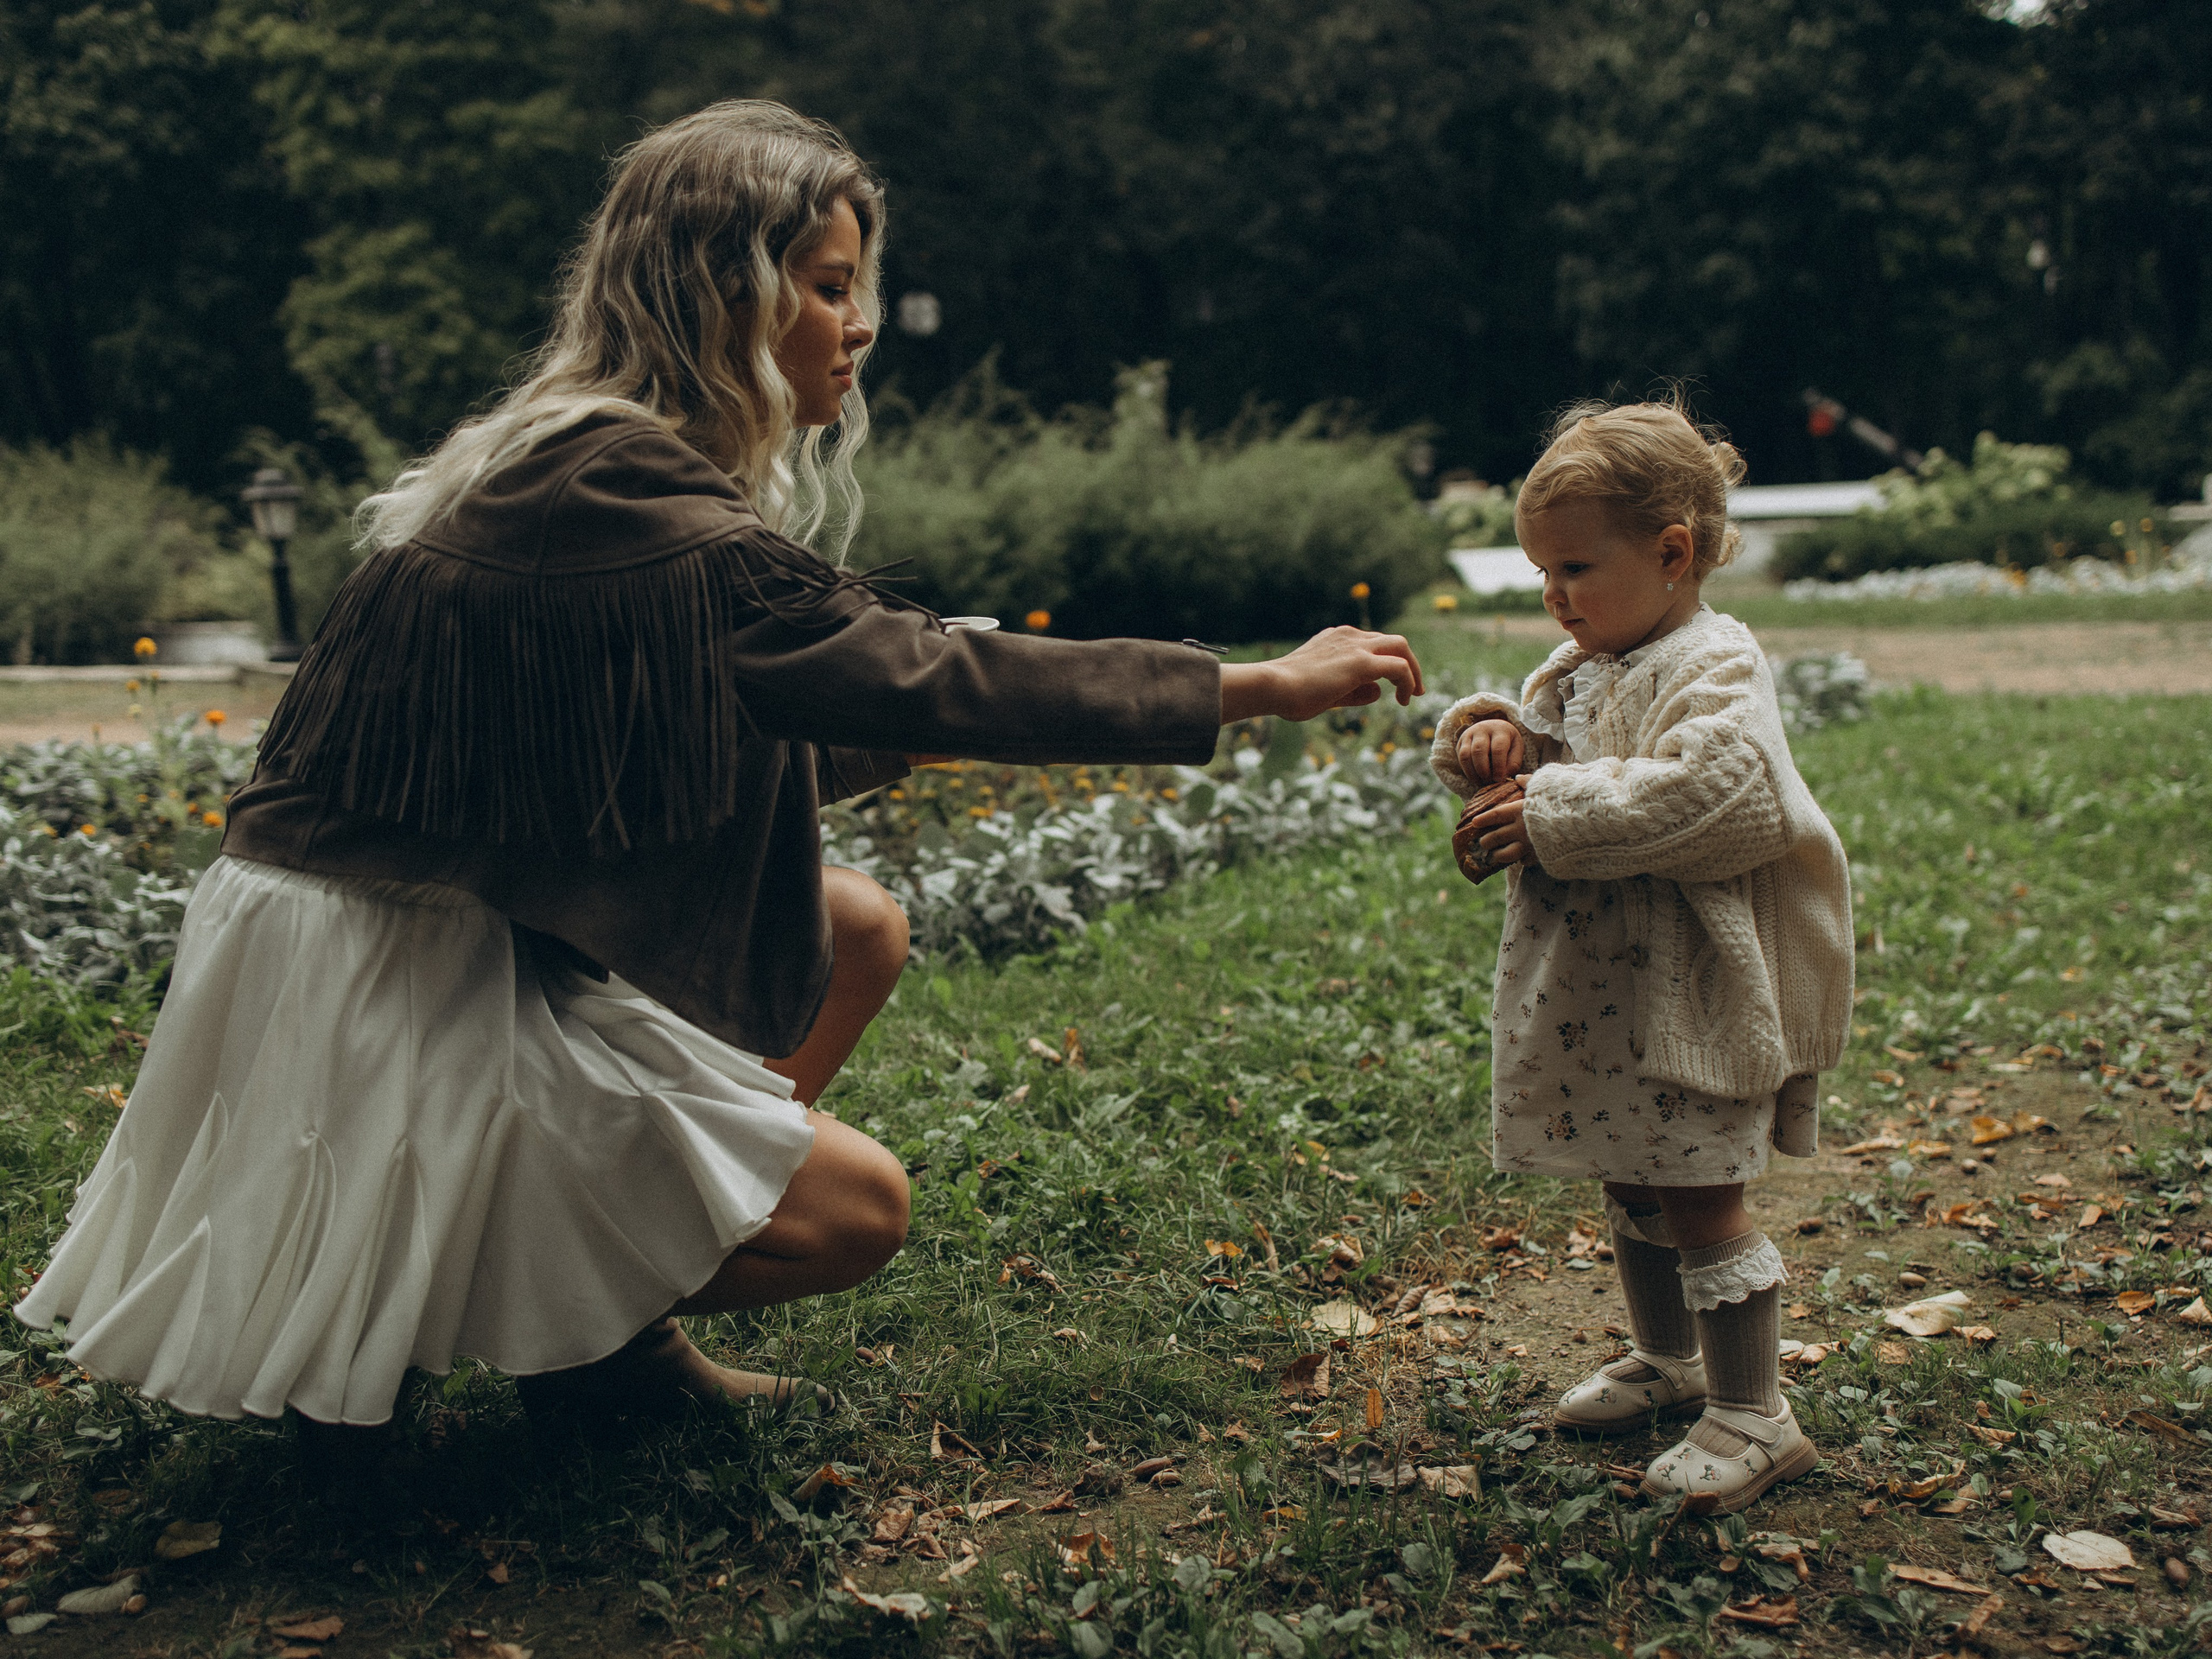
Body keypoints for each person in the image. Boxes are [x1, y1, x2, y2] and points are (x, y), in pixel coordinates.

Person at [13, 100, 1421, 1433]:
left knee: (855, 923)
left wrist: (932, 712)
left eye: (856, 286)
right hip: (384, 973)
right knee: (858, 1211)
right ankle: (556, 1310)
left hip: (436, 922)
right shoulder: (617, 493)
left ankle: (602, 1335)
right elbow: (916, 670)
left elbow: (706, 739)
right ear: (717, 295)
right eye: (823, 285)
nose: (857, 325)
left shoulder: (570, 459)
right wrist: (1257, 685)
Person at [1430, 398, 1852, 1513]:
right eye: (1542, 577)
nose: (1555, 599)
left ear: (1673, 555)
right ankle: (1668, 1364)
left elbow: (1726, 797)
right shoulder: (1586, 661)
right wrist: (1500, 742)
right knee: (1630, 1168)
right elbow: (1561, 756)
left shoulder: (1715, 663)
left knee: (1702, 1195)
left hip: (1692, 995)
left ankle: (1756, 1412)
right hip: (1600, 993)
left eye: (1573, 568)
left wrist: (1553, 807)